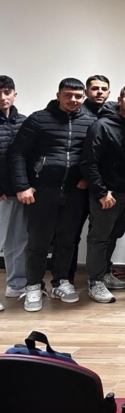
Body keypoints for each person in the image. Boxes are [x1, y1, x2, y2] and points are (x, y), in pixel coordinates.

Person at [10, 78, 94, 312]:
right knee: (38, 241)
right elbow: (17, 153)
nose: (73, 100)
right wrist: (22, 186)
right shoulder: (38, 119)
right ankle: (34, 286)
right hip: (41, 190)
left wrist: (87, 178)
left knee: (67, 240)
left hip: (75, 191)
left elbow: (93, 155)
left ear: (83, 97)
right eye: (68, 95)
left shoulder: (90, 121)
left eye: (78, 96)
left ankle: (60, 282)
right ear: (58, 96)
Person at [80, 84, 125, 303]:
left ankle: (105, 272)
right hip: (106, 193)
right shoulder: (101, 126)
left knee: (113, 234)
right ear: (120, 99)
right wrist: (101, 192)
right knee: (99, 238)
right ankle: (95, 282)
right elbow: (89, 162)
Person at [71, 74, 111, 283]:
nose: (99, 92)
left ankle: (104, 272)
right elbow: (75, 150)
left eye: (103, 89)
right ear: (87, 91)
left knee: (105, 232)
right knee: (72, 233)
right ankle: (67, 277)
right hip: (79, 185)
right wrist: (84, 176)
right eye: (95, 88)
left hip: (103, 184)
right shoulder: (76, 113)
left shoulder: (111, 112)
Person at [0, 76, 27, 308]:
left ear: (14, 95)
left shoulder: (24, 122)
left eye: (7, 92)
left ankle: (16, 284)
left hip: (17, 193)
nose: (2, 97)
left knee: (17, 240)